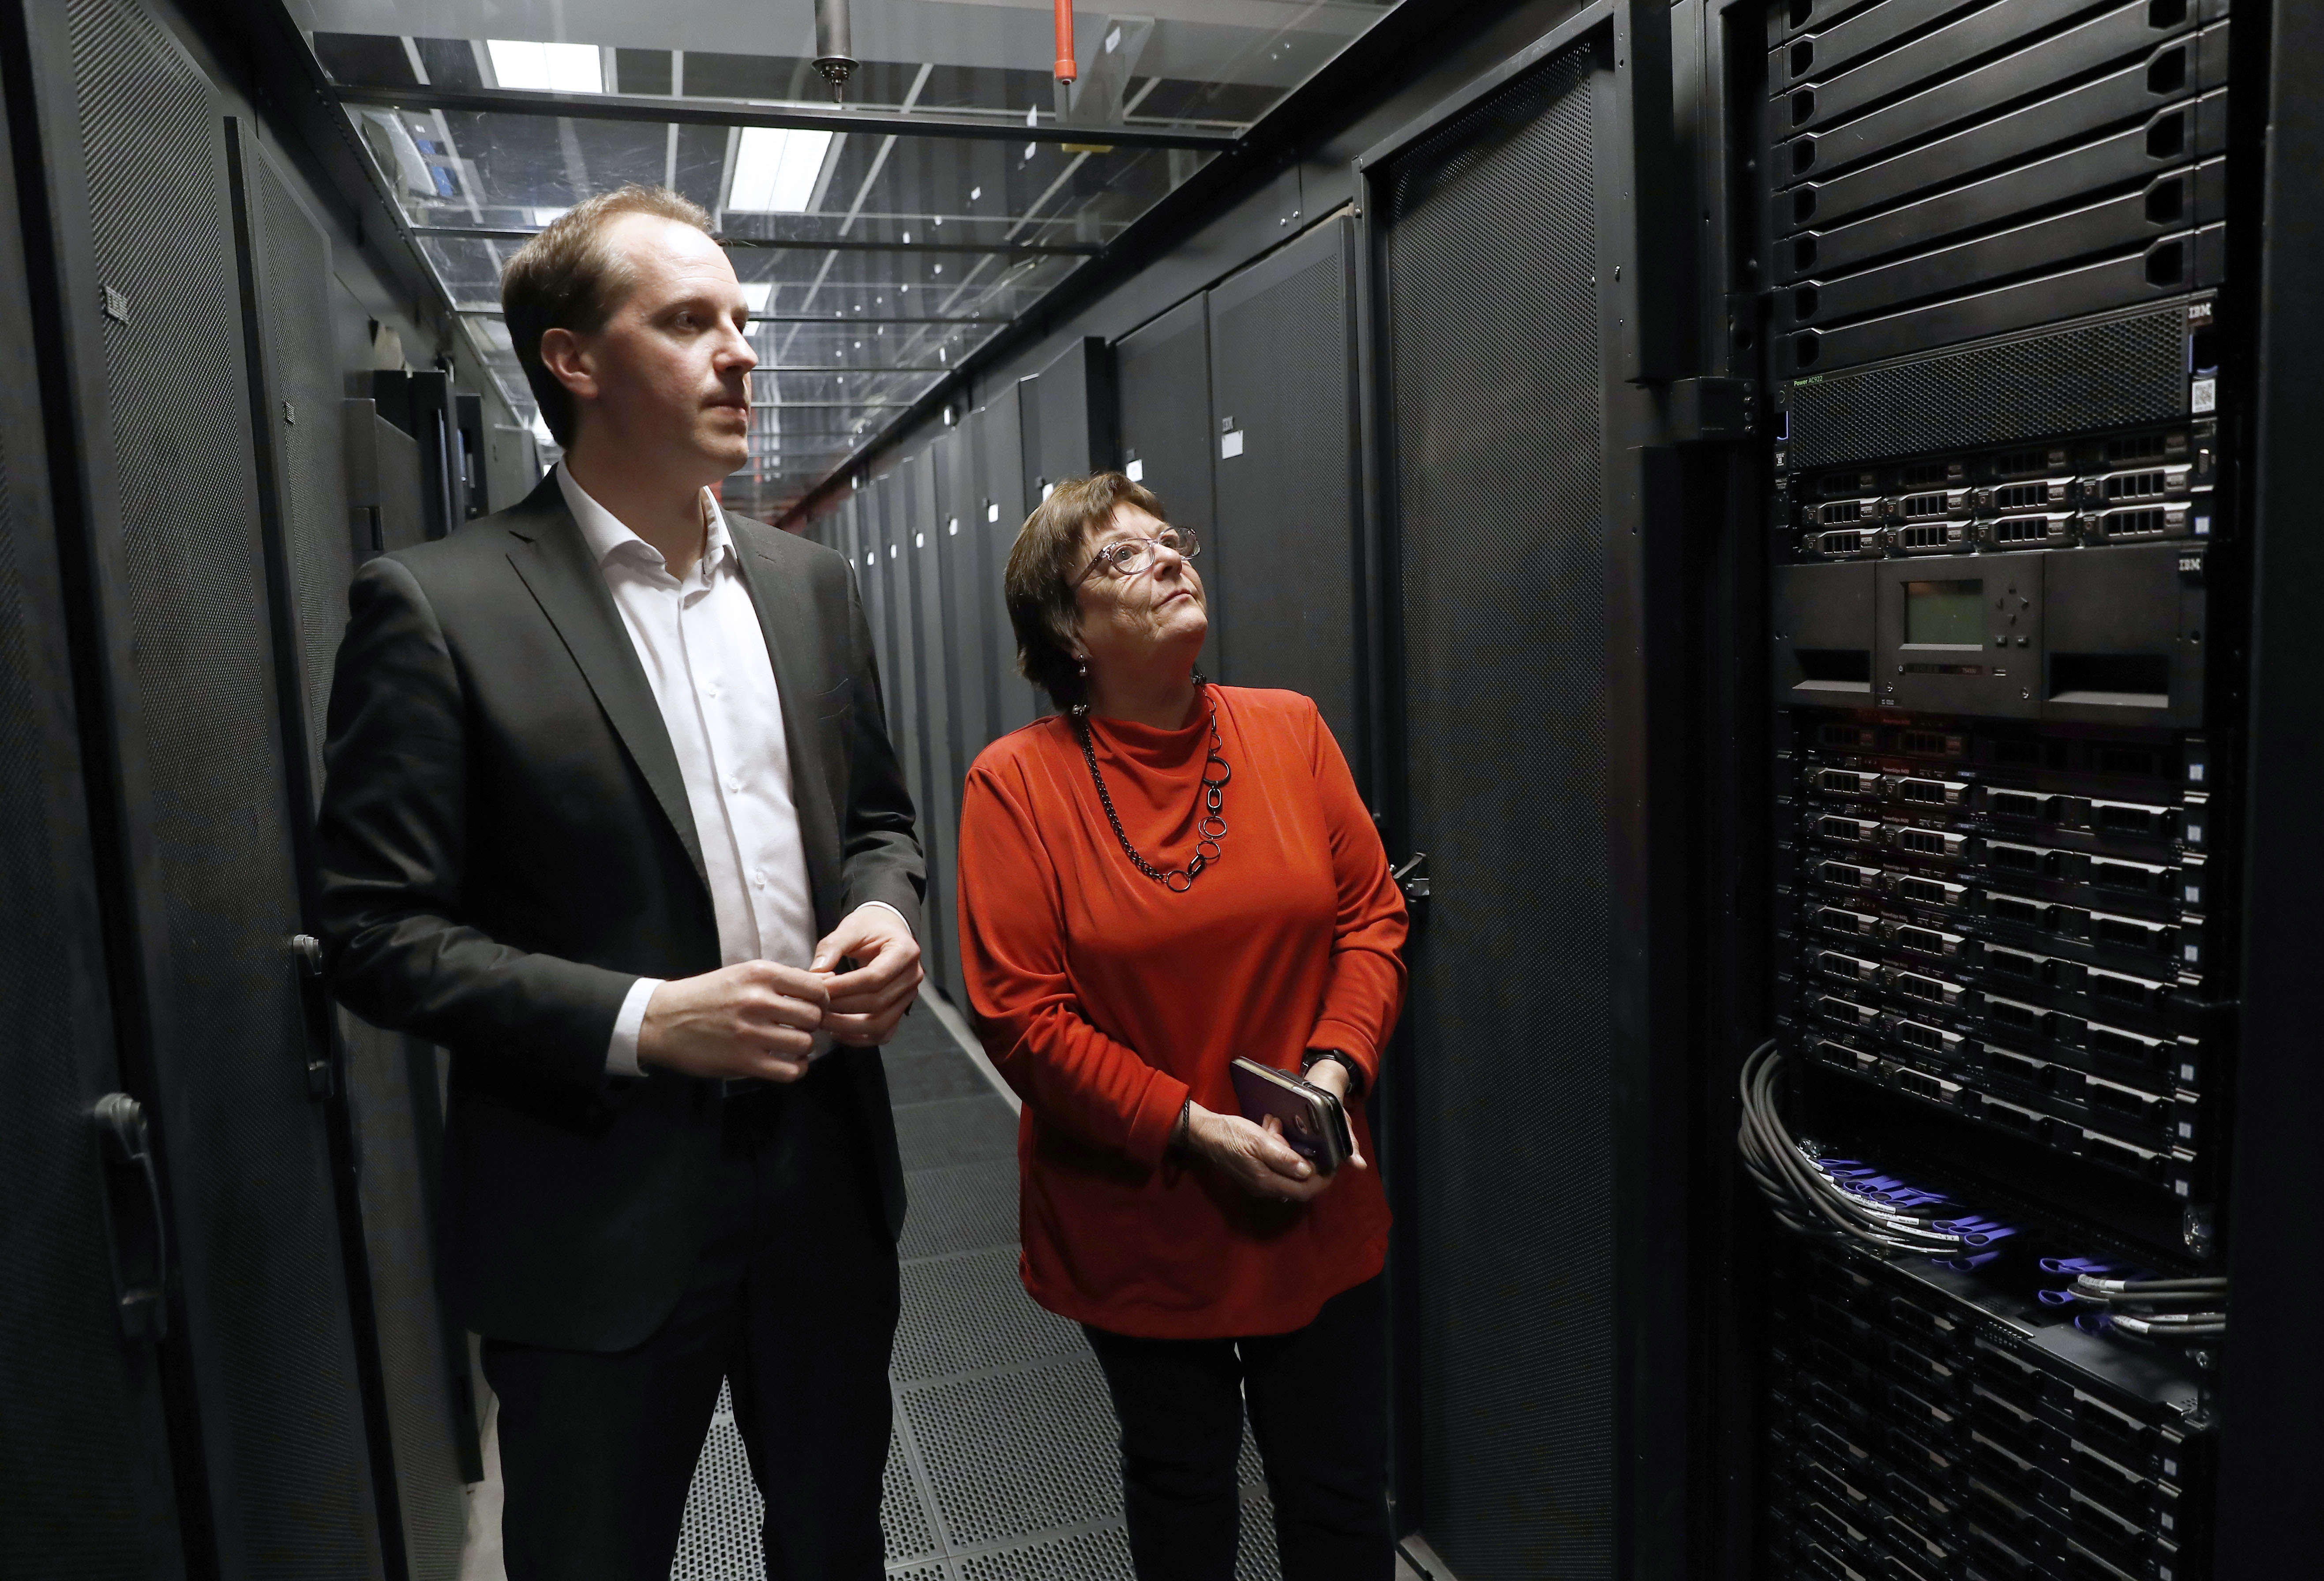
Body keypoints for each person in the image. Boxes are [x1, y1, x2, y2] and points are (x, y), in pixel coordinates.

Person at [315, 185, 923, 1581]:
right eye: (690, 321)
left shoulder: (810, 586)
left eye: (740, 321)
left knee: (836, 1540)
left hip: (823, 1172)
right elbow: (373, 932)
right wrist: (648, 1020)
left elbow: (879, 821)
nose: (741, 352)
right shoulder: (441, 605)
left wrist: (885, 910)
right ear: (573, 359)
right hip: (592, 1203)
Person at [954, 472, 1408, 1580]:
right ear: (1068, 629)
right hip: (1142, 1209)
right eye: (1121, 555)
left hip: (1308, 1182)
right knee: (1183, 1486)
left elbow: (1371, 919)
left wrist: (1332, 1075)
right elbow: (1023, 1016)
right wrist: (1196, 1129)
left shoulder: (1290, 729)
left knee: (1340, 1493)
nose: (1166, 559)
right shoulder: (1015, 785)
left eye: (1170, 541)